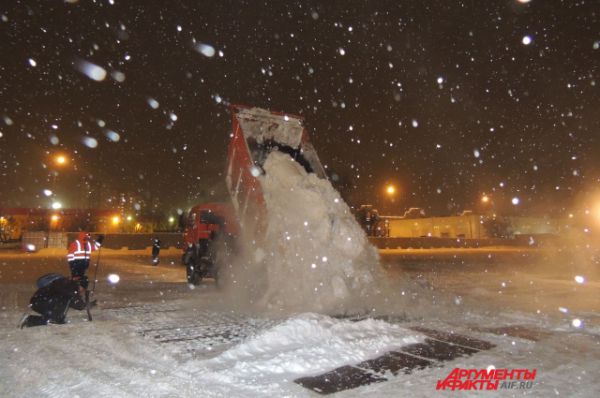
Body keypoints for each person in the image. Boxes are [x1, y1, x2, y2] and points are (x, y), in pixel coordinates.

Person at [19, 274, 86, 328]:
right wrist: (83, 305)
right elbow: (75, 301)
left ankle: (29, 320)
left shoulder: (62, 282)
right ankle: (29, 319)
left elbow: (71, 301)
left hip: (37, 302)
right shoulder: (70, 285)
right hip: (44, 302)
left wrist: (84, 304)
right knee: (56, 319)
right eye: (82, 289)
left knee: (54, 318)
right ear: (80, 285)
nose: (81, 291)